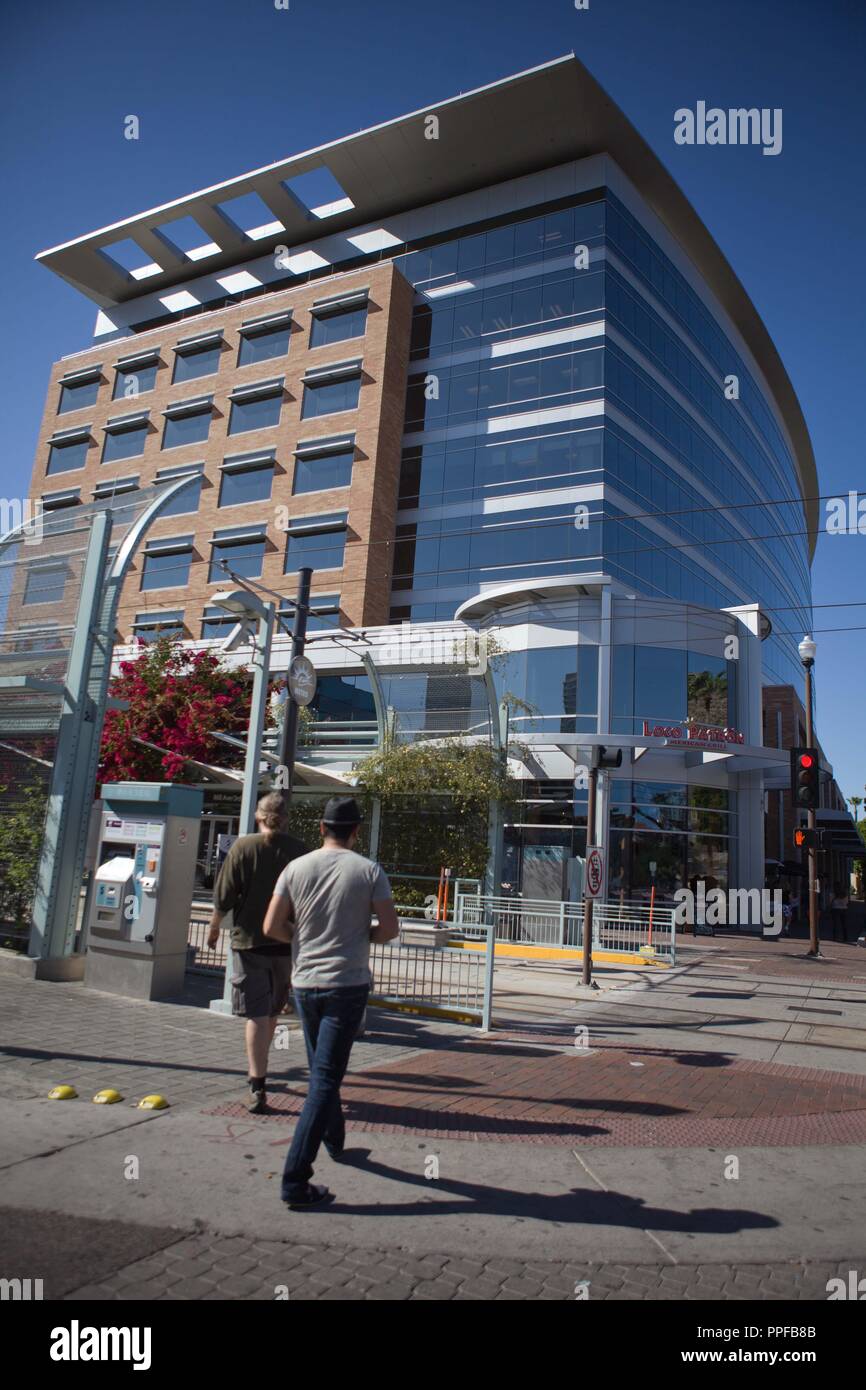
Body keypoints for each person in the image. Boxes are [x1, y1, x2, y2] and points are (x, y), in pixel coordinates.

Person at [262, 796, 399, 1209]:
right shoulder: (369, 871)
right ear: (356, 831)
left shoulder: (295, 868)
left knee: (323, 1068)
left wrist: (302, 940)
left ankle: (335, 1139)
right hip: (347, 983)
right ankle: (295, 1180)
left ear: (321, 828)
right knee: (324, 1078)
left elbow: (271, 925)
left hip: (306, 982)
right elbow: (389, 928)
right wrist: (362, 938)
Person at [208, 792, 305, 1113]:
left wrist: (213, 925)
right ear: (286, 818)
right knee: (272, 1012)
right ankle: (263, 1064)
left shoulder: (242, 847)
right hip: (285, 945)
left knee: (255, 1014)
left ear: (257, 815)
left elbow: (224, 893)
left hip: (248, 941)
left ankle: (257, 1083)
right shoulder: (298, 851)